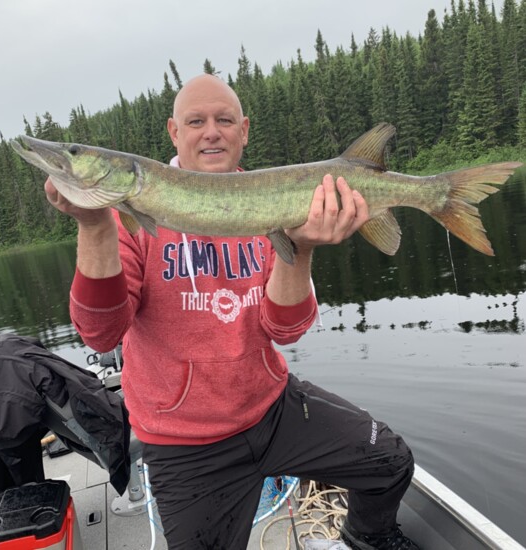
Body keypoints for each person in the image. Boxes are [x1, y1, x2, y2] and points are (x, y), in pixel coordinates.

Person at [45, 74, 419, 550]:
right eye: (196, 121)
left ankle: (368, 537)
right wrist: (95, 224)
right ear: (173, 132)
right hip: (185, 446)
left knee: (391, 462)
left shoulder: (275, 197)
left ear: (244, 130)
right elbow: (100, 335)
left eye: (224, 120)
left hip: (272, 409)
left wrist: (299, 246)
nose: (211, 131)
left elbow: (285, 330)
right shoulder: (126, 217)